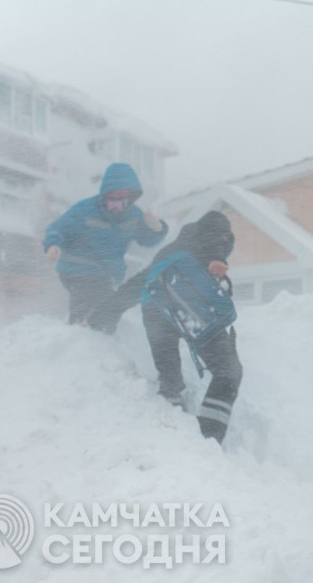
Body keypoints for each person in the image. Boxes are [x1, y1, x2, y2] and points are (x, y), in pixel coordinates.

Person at [88, 211, 242, 445]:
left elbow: (135, 285)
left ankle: (172, 427)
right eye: (223, 238)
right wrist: (216, 257)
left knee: (171, 382)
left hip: (155, 310)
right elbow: (214, 227)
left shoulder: (168, 253)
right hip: (189, 309)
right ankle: (207, 439)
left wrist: (101, 317)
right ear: (223, 238)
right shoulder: (207, 243)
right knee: (229, 372)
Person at [43, 162, 168, 324]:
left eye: (120, 201)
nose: (115, 207)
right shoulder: (85, 210)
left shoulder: (134, 216)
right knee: (94, 301)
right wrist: (53, 244)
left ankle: (93, 334)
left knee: (110, 308)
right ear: (104, 196)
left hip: (105, 276)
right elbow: (58, 228)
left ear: (129, 199)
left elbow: (147, 240)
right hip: (76, 269)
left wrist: (158, 229)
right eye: (111, 201)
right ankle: (79, 328)